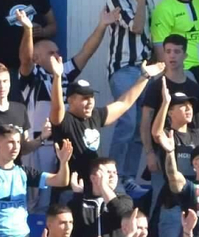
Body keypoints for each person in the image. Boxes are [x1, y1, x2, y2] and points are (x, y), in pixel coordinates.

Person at [14, 8, 115, 172]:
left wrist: (102, 25)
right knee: (39, 194)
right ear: (37, 58)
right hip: (40, 145)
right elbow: (25, 60)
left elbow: (86, 52)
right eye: (50, 53)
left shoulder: (64, 71)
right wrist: (28, 29)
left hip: (66, 144)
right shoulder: (33, 76)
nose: (56, 55)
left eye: (57, 52)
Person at [50, 58, 164, 187]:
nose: (90, 102)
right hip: (70, 189)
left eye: (92, 97)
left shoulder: (96, 115)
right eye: (84, 98)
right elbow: (56, 107)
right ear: (70, 101)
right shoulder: (64, 120)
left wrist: (145, 77)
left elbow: (124, 103)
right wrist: (57, 77)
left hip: (96, 186)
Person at [104, 0, 155, 189]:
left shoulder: (151, 2)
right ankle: (111, 177)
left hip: (144, 71)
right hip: (123, 68)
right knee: (127, 120)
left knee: (140, 126)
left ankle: (128, 177)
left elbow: (151, 38)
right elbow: (135, 27)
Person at [138, 36, 199, 180]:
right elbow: (145, 123)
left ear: (185, 55)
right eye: (168, 51)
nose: (172, 55)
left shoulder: (194, 88)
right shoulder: (155, 86)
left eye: (177, 51)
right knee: (161, 198)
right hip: (161, 153)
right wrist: (149, 153)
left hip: (189, 152)